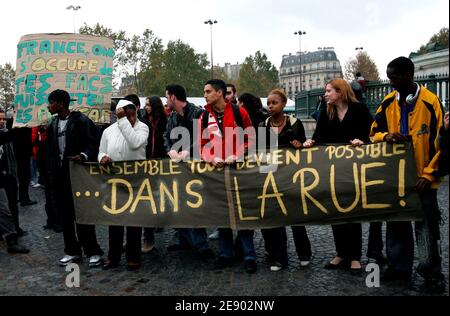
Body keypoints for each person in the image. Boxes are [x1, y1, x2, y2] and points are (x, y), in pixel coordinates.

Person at [370, 56, 446, 293]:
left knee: (426, 229)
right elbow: (373, 132)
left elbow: (444, 145)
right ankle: (398, 268)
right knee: (396, 224)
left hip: (425, 180)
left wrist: (429, 175)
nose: (390, 82)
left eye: (393, 77)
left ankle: (431, 272)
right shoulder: (388, 101)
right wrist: (386, 136)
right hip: (398, 178)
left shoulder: (431, 103)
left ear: (408, 75)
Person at [304, 78, 373, 275]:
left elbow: (372, 133)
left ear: (340, 92)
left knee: (352, 211)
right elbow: (319, 136)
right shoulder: (327, 112)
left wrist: (363, 141)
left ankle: (355, 257)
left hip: (355, 169)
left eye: (329, 91)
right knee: (336, 210)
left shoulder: (359, 110)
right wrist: (311, 142)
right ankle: (341, 253)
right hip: (333, 169)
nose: (325, 94)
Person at [199, 79, 257, 274]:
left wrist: (238, 154)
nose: (205, 94)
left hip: (240, 172)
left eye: (208, 91)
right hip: (216, 173)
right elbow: (201, 145)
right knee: (222, 214)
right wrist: (211, 158)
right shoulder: (204, 117)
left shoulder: (241, 113)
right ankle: (225, 255)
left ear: (219, 93)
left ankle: (249, 256)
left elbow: (251, 139)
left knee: (243, 214)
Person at [45, 89, 104, 267]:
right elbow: (49, 152)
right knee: (65, 215)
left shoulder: (81, 121)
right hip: (60, 176)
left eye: (51, 102)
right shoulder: (51, 124)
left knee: (83, 214)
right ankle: (72, 251)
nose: (48, 106)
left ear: (61, 103)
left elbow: (93, 143)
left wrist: (84, 156)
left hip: (79, 175)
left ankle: (93, 251)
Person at [259, 89, 312, 271]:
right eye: (269, 103)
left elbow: (305, 148)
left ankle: (304, 254)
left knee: (296, 215)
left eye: (274, 103)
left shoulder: (295, 123)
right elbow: (259, 152)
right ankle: (279, 257)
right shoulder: (262, 125)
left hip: (291, 176)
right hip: (271, 176)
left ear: (283, 104)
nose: (270, 106)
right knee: (276, 217)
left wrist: (298, 145)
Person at [163, 84, 215, 261]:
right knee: (179, 203)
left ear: (173, 97)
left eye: (166, 96)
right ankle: (183, 239)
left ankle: (201, 245)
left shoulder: (198, 113)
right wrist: (170, 150)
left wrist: (189, 151)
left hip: (196, 168)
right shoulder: (172, 117)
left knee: (195, 204)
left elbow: (205, 137)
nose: (165, 100)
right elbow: (166, 136)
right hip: (178, 167)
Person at [99, 100, 149, 271]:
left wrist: (123, 122)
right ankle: (113, 256)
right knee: (115, 220)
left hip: (135, 180)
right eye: (125, 112)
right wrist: (102, 158)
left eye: (132, 111)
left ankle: (133, 257)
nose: (129, 114)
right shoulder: (108, 131)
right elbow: (101, 150)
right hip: (115, 181)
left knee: (134, 220)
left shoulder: (142, 127)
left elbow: (135, 143)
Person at [141, 96, 168, 253]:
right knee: (146, 202)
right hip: (144, 165)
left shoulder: (165, 122)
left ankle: (159, 220)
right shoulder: (142, 122)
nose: (146, 108)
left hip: (161, 165)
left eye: (148, 105)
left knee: (160, 196)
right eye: (145, 105)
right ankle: (147, 236)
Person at [0, 109, 25, 236]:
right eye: (0, 119)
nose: (2, 122)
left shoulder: (7, 132)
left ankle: (15, 229)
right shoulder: (4, 135)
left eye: (4, 119)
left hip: (10, 174)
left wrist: (18, 114)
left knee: (13, 204)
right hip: (2, 175)